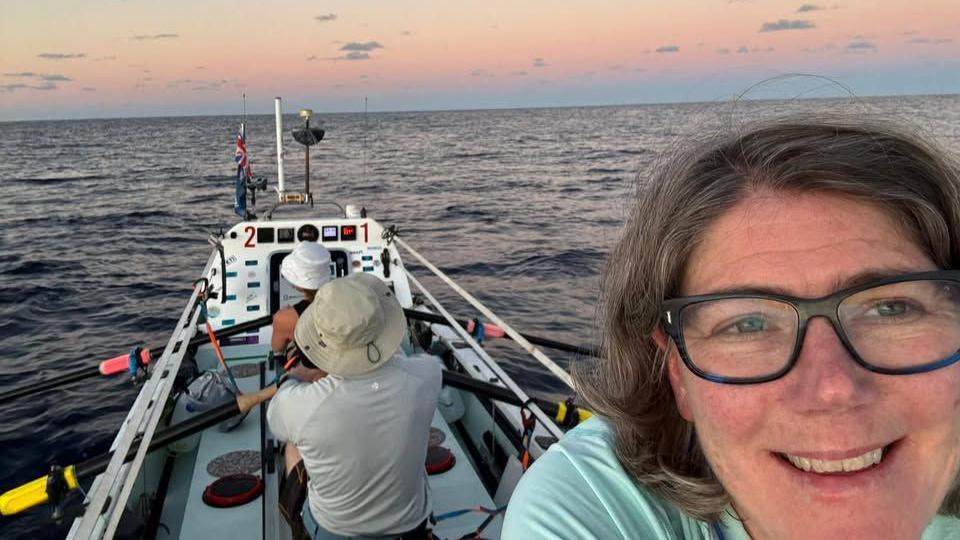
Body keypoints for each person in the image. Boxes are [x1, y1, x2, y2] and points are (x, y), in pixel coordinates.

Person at [503, 117, 960, 539]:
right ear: (677, 375)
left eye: (890, 309)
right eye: (749, 324)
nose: (833, 389)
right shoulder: (593, 506)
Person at [267, 272, 442, 540]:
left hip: (333, 531)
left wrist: (297, 377)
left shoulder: (299, 406)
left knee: (293, 444)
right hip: (411, 527)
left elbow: (278, 418)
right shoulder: (428, 374)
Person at [272, 241, 332, 354]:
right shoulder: (347, 301)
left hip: (313, 368)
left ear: (298, 285)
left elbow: (277, 349)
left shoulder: (284, 318)